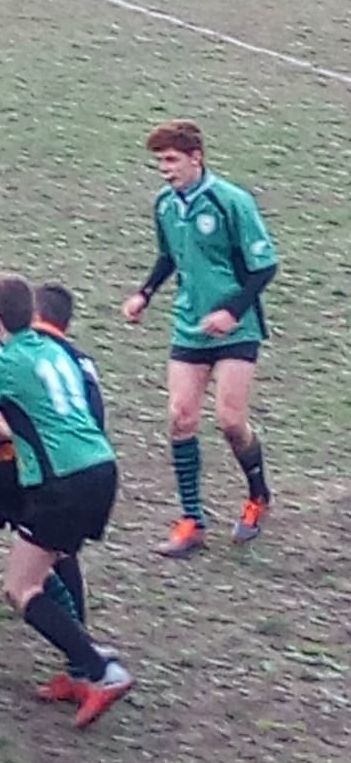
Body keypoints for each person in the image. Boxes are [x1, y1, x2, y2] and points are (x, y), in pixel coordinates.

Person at [0, 275, 132, 731]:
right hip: (100, 468)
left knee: (21, 587)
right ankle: (81, 669)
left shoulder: (8, 360)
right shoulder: (56, 349)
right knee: (54, 563)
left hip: (62, 482)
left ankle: (100, 670)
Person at [122, 120, 278, 558]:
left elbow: (264, 266)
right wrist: (144, 294)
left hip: (237, 328)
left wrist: (232, 311)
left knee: (230, 421)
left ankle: (258, 494)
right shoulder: (165, 206)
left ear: (197, 158)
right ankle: (192, 520)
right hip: (189, 325)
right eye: (160, 162)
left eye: (172, 160)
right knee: (180, 418)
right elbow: (168, 256)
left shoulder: (231, 202)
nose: (165, 170)